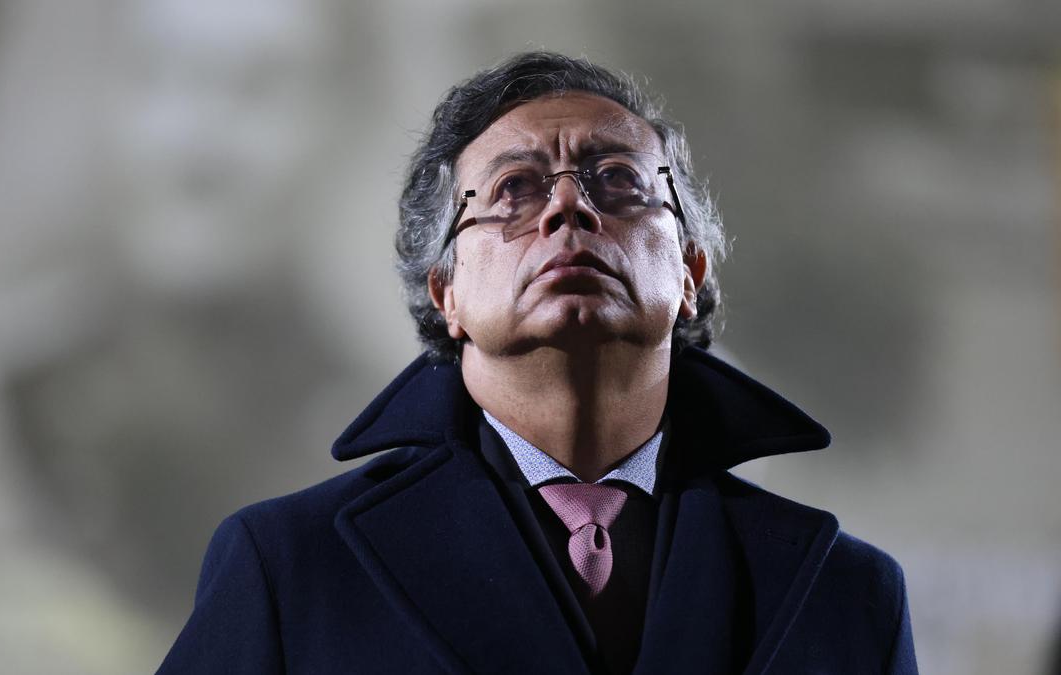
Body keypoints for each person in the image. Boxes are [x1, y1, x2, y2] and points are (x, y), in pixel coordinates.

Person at [158, 51, 918, 674]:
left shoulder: (848, 591)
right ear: (446, 291)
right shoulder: (291, 565)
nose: (567, 208)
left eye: (617, 180)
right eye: (513, 189)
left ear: (691, 272)